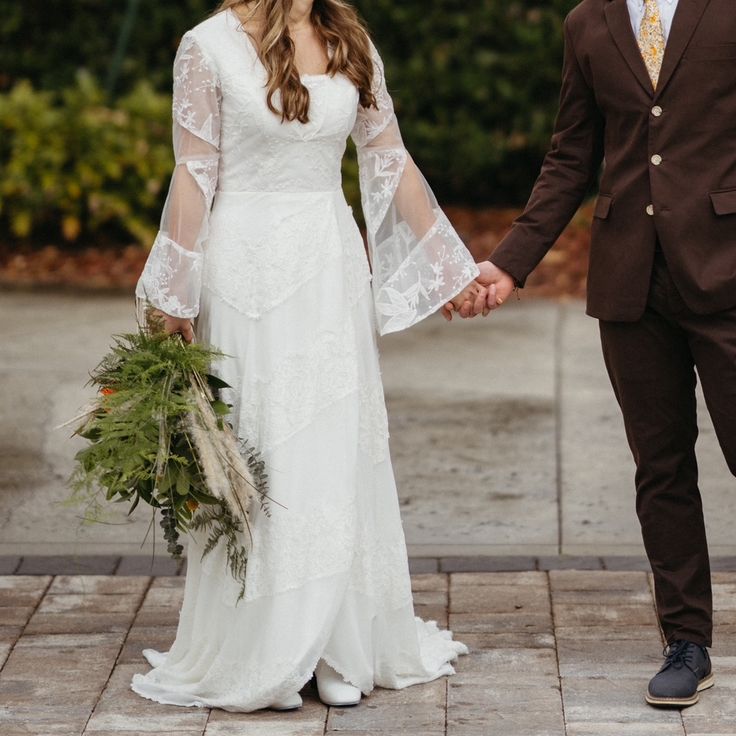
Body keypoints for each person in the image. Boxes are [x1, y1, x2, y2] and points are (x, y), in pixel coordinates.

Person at [130, 0, 482, 713]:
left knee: (330, 446)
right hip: (245, 272)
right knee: (261, 446)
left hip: (328, 265)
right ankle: (267, 649)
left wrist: (450, 265)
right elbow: (194, 172)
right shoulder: (207, 46)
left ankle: (336, 645)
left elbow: (390, 157)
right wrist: (174, 287)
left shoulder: (347, 35)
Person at [450, 0, 736, 710]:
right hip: (630, 284)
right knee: (661, 465)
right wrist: (512, 263)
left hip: (726, 267)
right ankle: (687, 641)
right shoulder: (587, 23)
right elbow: (571, 156)